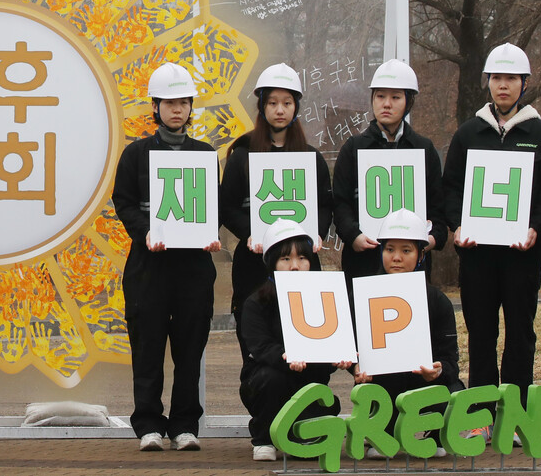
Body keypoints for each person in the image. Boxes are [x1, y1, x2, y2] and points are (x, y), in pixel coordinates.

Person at [442, 43, 541, 435]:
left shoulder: (540, 133)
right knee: (481, 334)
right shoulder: (468, 132)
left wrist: (536, 227)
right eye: (496, 78)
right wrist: (457, 226)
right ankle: (481, 414)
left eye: (511, 78)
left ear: (524, 83)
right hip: (478, 255)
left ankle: (515, 414)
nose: (503, 85)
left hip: (521, 254)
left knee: (520, 335)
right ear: (488, 83)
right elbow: (450, 188)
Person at [111, 62, 221, 452]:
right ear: (155, 107)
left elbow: (211, 207)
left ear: (191, 108)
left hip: (193, 269)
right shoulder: (135, 154)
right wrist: (145, 232)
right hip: (148, 268)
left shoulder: (205, 155)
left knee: (190, 351)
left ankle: (185, 426)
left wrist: (210, 235)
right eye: (170, 103)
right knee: (148, 348)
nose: (177, 109)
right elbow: (123, 202)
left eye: (184, 103)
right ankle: (148, 426)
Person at [218, 63, 333, 358]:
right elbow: (227, 205)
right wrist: (250, 233)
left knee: (305, 343)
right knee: (256, 346)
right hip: (254, 266)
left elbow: (324, 204)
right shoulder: (242, 156)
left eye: (287, 103)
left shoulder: (311, 157)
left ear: (296, 107)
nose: (280, 110)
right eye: (272, 103)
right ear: (262, 106)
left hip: (301, 263)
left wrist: (317, 233)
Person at [353, 210, 462, 459]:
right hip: (380, 385)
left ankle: (436, 435)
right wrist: (355, 368)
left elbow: (450, 362)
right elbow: (351, 349)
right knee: (368, 391)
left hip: (422, 383)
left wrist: (438, 370)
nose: (396, 258)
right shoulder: (362, 295)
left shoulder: (438, 301)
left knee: (453, 389)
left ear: (421, 255)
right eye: (390, 249)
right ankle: (381, 433)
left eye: (406, 250)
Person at [239, 218, 349, 462]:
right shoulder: (257, 303)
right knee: (272, 378)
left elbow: (330, 342)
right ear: (272, 263)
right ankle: (264, 439)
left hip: (310, 381)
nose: (295, 266)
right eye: (285, 259)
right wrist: (284, 357)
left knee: (313, 434)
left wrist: (340, 358)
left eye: (302, 258)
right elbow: (260, 346)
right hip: (267, 382)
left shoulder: (325, 299)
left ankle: (300, 432)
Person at [331, 60, 446, 291]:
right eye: (380, 96)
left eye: (395, 97)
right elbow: (340, 203)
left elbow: (438, 208)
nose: (386, 104)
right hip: (363, 261)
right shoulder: (353, 148)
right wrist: (354, 236)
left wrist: (430, 240)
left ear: (408, 102)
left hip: (413, 265)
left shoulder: (424, 149)